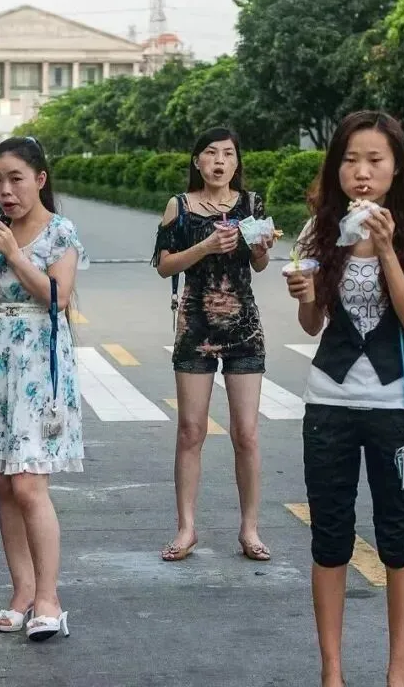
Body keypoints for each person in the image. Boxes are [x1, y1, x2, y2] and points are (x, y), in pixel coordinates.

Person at [284, 111, 404, 687]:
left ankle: (397, 671)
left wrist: (383, 249)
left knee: (398, 537)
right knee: (330, 535)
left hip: (396, 404)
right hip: (328, 399)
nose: (361, 172)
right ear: (336, 167)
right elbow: (311, 325)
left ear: (396, 165)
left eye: (375, 160)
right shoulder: (318, 229)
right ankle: (332, 670)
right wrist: (304, 293)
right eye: (351, 160)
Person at [0, 136, 88, 642]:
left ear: (40, 179)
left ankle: (49, 598)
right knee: (2, 482)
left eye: (16, 179)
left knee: (29, 482)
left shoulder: (61, 232)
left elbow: (55, 298)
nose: (6, 190)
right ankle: (21, 590)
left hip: (41, 358)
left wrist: (13, 252)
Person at [151, 127, 274, 562]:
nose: (219, 161)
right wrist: (204, 245)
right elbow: (164, 266)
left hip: (243, 325)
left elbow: (259, 264)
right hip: (195, 325)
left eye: (227, 154)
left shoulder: (252, 204)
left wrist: (260, 246)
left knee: (247, 433)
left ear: (237, 163)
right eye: (210, 153)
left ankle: (250, 529)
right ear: (197, 162)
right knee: (191, 431)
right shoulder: (179, 206)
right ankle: (186, 528)